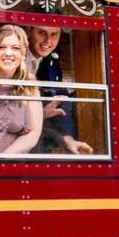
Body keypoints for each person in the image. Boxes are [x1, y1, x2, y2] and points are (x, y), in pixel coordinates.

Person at [24, 24, 93, 155]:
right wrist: (41, 114)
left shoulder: (50, 59)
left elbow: (59, 97)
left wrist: (67, 137)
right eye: (42, 33)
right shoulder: (15, 58)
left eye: (54, 35)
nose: (48, 41)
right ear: (29, 31)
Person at [0, 24, 44, 154]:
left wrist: (0, 161)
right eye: (2, 47)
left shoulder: (29, 84)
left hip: (10, 166)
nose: (8, 53)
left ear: (23, 54)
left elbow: (33, 134)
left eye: (15, 48)